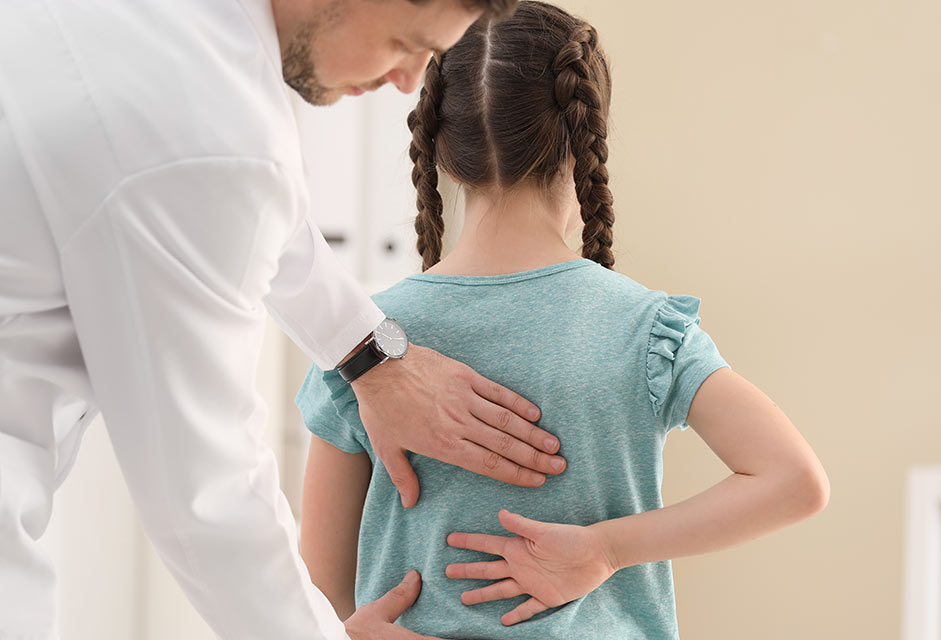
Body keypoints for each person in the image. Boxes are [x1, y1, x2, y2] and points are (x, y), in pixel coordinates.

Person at [0, 1, 574, 638]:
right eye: (405, 43)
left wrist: (371, 353)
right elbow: (209, 504)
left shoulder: (188, 71)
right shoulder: (213, 132)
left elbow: (233, 206)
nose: (409, 81)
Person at [296, 2, 831, 638]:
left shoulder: (364, 345)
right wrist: (606, 548)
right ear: (583, 144)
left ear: (438, 147)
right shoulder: (646, 331)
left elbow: (313, 596)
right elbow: (794, 481)